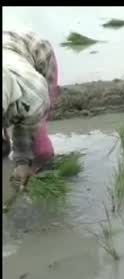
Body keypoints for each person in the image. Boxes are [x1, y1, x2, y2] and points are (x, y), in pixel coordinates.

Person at [2, 30, 58, 186]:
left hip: (38, 52)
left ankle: (44, 172)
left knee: (40, 147)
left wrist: (21, 162)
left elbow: (23, 131)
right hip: (7, 46)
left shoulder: (35, 96)